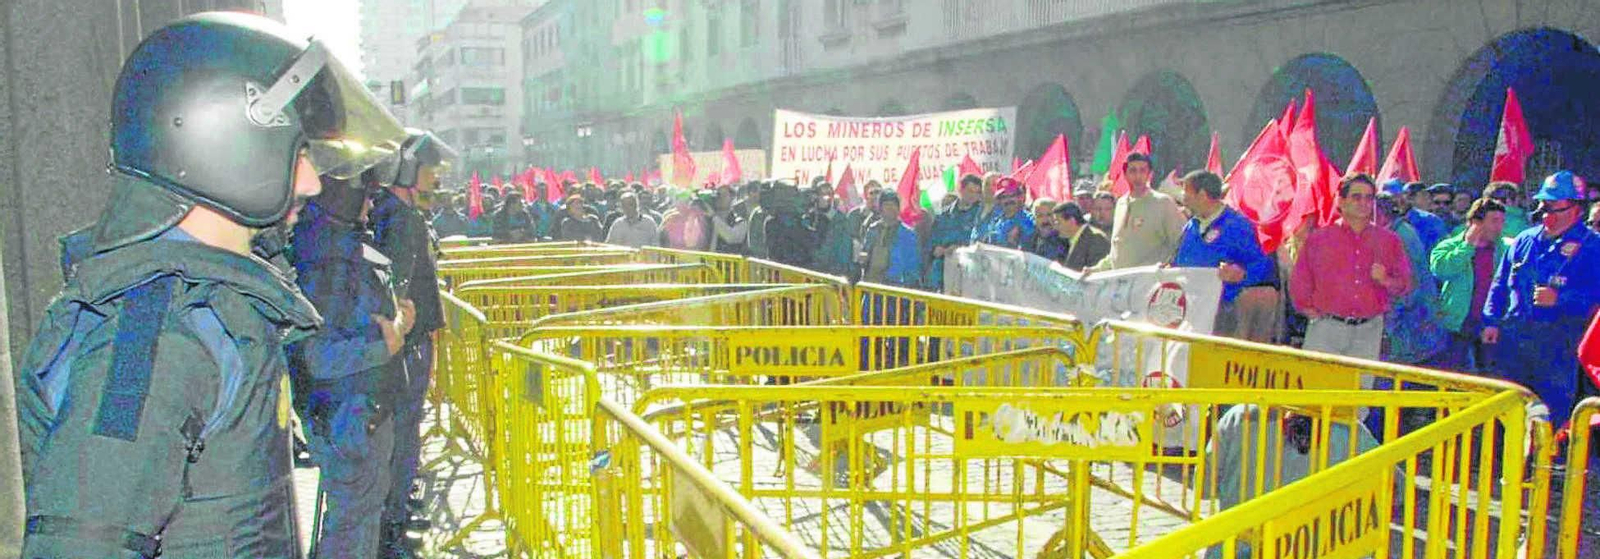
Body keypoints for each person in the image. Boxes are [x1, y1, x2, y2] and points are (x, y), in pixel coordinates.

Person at [14, 12, 404, 557]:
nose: (313, 182)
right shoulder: (156, 339)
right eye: (299, 153)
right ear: (226, 142)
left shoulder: (211, 311)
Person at [288, 175, 410, 558]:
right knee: (351, 525)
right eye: (365, 197)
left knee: (358, 518)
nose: (371, 206)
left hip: (357, 409)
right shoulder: (327, 263)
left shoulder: (333, 251)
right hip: (348, 413)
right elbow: (318, 356)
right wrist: (384, 345)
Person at [367, 129, 455, 556]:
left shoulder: (393, 212)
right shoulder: (400, 218)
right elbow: (397, 289)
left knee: (404, 432)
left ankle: (396, 512)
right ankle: (393, 527)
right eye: (428, 169)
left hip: (407, 342)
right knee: (403, 433)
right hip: (408, 344)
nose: (435, 177)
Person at [1483, 171, 1600, 429]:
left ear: (1576, 208)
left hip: (1559, 348)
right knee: (1508, 415)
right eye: (1543, 206)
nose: (1546, 214)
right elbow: (1500, 283)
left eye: (1554, 208)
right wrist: (1490, 320)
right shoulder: (1526, 239)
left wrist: (1562, 299)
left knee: (1550, 420)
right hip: (1514, 342)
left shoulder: (1592, 247)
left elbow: (1596, 298)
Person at [1290, 174, 1413, 363]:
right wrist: (1311, 312)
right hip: (1326, 328)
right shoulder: (1319, 239)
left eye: (1369, 197)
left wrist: (1385, 280)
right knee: (1318, 389)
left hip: (1369, 331)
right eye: (1356, 197)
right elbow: (1301, 281)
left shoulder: (1389, 241)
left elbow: (1405, 285)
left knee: (1359, 390)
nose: (1363, 203)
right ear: (1341, 201)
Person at [1171, 171, 1278, 343]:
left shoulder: (1236, 225)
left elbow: (1261, 265)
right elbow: (1178, 260)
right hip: (1191, 312)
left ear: (1202, 195)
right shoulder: (1191, 226)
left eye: (1186, 191)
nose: (1183, 197)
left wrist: (1241, 274)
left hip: (1222, 313)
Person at [1430, 198, 1508, 372]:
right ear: (1476, 222)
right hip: (1457, 326)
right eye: (1494, 221)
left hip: (1491, 326)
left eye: (1502, 221)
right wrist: (1467, 247)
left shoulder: (1505, 250)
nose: (1499, 227)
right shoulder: (1448, 246)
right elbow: (1441, 270)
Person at [1373, 191, 1448, 367]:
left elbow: (1409, 288)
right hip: (1415, 327)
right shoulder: (1401, 232)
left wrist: (1388, 327)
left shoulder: (1399, 239)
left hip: (1411, 330)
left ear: (1380, 214)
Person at [1092, 153, 1186, 270]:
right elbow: (1117, 251)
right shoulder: (1121, 203)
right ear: (1125, 175)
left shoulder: (1163, 203)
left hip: (1151, 282)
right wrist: (1095, 269)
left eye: (1142, 171)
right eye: (1133, 171)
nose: (1138, 176)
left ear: (1149, 174)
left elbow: (1182, 243)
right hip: (1122, 282)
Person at [926, 174, 985, 290]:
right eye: (970, 191)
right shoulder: (944, 215)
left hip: (967, 275)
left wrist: (959, 248)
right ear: (960, 190)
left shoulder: (981, 216)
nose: (973, 196)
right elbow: (931, 243)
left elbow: (980, 243)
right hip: (941, 273)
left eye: (977, 192)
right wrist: (936, 249)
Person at [860, 193, 923, 287]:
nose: (890, 208)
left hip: (896, 286)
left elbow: (913, 265)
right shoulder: (873, 229)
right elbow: (865, 253)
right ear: (880, 208)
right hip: (872, 285)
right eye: (886, 205)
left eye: (893, 204)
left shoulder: (908, 234)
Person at [1381, 179, 1450, 251]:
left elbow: (1442, 250)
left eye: (1399, 196)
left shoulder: (1431, 221)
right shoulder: (1380, 222)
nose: (1396, 201)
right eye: (1389, 199)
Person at [808, 183, 857, 277]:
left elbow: (845, 250)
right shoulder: (809, 218)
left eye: (829, 194)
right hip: (813, 272)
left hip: (834, 274)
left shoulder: (841, 220)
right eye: (822, 194)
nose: (826, 197)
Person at [972, 178, 1035, 249]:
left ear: (1019, 197)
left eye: (1012, 196)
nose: (1008, 200)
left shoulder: (1029, 220)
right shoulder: (995, 221)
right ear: (999, 200)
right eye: (1004, 197)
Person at [1048, 202, 1109, 272]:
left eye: (1058, 222)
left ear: (1071, 221)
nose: (1055, 228)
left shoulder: (1095, 239)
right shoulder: (1066, 241)